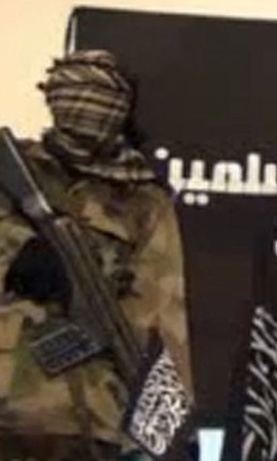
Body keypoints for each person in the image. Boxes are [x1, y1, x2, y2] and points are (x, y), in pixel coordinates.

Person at [0, 50, 194, 460]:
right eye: (78, 96)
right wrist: (16, 248)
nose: (88, 111)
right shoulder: (14, 176)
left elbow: (164, 320)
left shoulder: (143, 202)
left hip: (92, 418)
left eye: (103, 100)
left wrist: (166, 432)